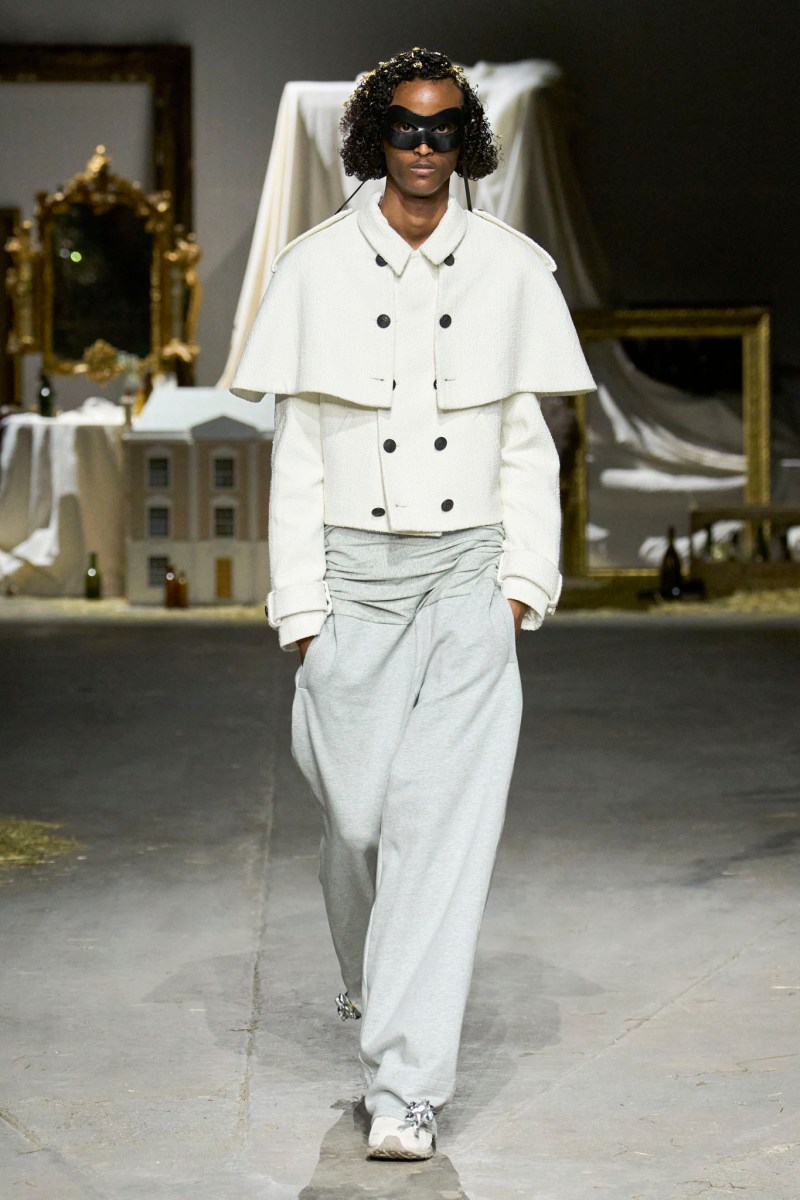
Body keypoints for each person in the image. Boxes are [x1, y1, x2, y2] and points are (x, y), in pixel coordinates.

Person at [231, 46, 595, 1161]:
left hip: (466, 581)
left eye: (443, 129)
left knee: (440, 831)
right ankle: (376, 978)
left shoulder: (512, 268)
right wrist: (301, 611)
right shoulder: (312, 268)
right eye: (405, 127)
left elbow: (525, 443)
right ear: (373, 138)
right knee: (357, 822)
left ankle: (406, 1086)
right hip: (351, 584)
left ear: (466, 142)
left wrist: (521, 590)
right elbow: (297, 454)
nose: (424, 146)